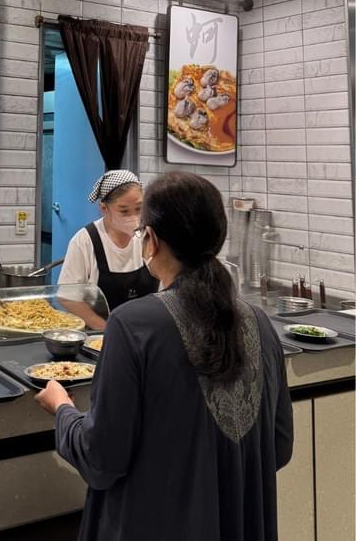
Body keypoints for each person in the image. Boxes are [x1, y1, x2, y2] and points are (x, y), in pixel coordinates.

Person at [36, 172, 293, 541]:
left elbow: (102, 458)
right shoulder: (261, 324)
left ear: (151, 240)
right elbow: (278, 448)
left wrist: (63, 410)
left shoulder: (131, 326)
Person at [57, 170, 157, 329]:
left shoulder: (149, 236)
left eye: (139, 208)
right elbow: (68, 298)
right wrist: (108, 330)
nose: (134, 217)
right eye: (124, 211)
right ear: (104, 208)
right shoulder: (85, 240)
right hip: (101, 336)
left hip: (147, 334)